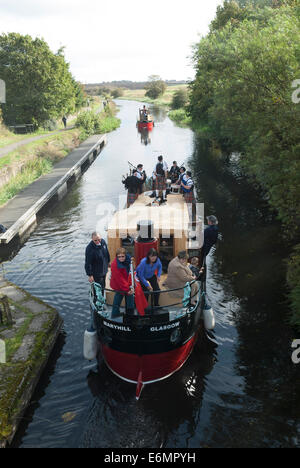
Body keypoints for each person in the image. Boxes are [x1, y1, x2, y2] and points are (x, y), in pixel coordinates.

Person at [110, 248, 134, 318]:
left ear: (125, 256)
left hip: (127, 282)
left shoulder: (128, 260)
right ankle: (115, 314)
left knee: (130, 298)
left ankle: (130, 313)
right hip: (118, 285)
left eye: (122, 256)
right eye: (119, 257)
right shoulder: (115, 265)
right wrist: (128, 290)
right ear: (116, 257)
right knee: (118, 298)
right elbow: (120, 280)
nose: (121, 258)